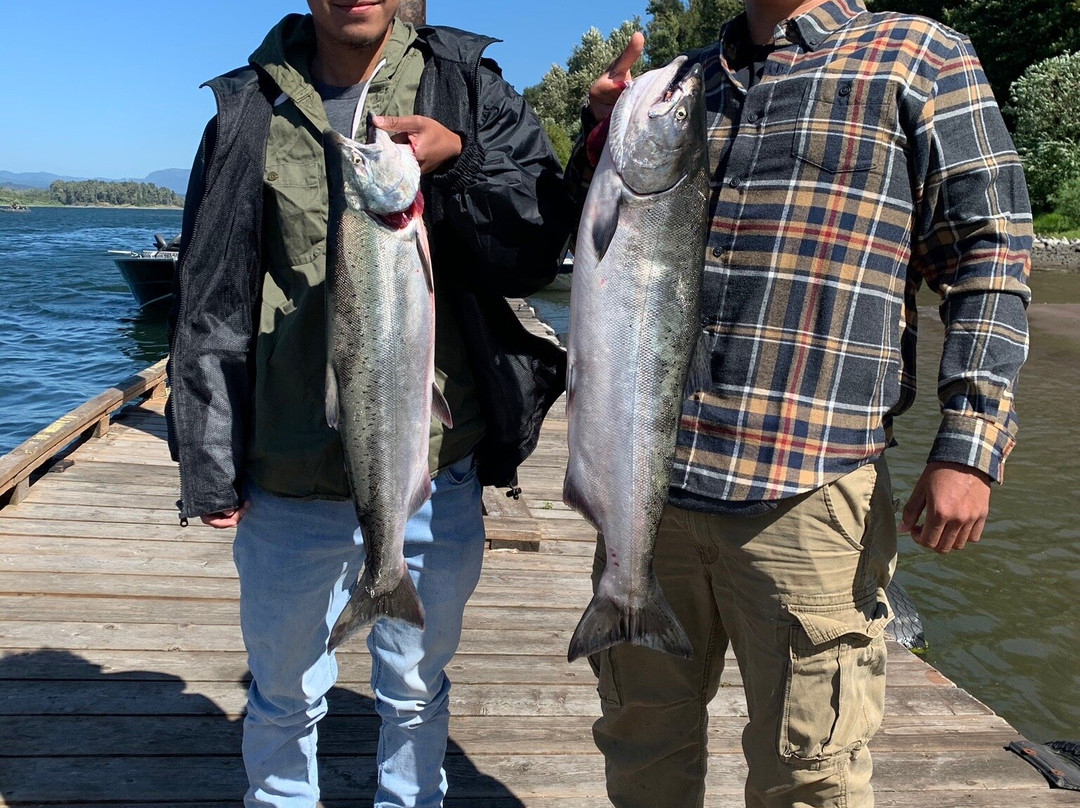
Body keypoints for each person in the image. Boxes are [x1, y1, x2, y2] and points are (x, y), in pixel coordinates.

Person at [572, 1, 1032, 806]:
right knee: (640, 758)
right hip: (647, 496)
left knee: (810, 779)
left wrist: (970, 440)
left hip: (808, 494)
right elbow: (595, 251)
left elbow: (989, 255)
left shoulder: (920, 55)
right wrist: (600, 138)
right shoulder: (682, 81)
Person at [165, 2, 569, 806]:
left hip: (434, 470)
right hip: (286, 470)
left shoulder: (467, 87)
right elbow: (209, 294)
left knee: (417, 692)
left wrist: (460, 164)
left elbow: (533, 247)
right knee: (281, 695)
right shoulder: (248, 106)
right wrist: (208, 455)